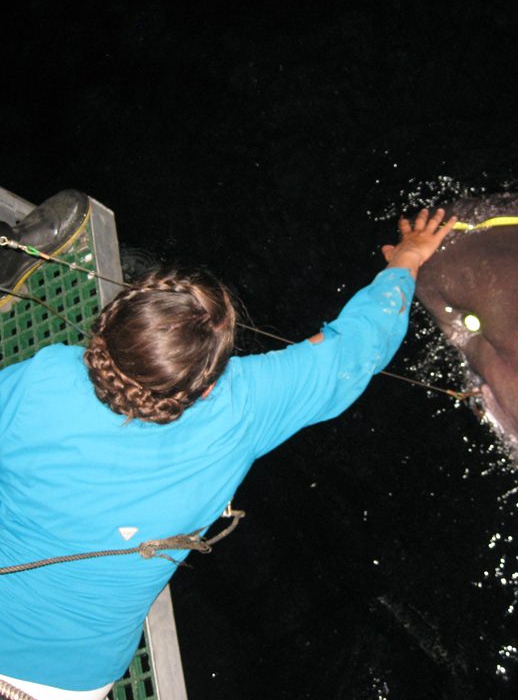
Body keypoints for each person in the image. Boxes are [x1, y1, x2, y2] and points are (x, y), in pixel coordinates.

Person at [0, 208, 456, 700]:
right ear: (205, 386)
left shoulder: (42, 379)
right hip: (67, 684)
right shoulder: (240, 408)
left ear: (109, 325)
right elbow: (353, 350)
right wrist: (406, 261)